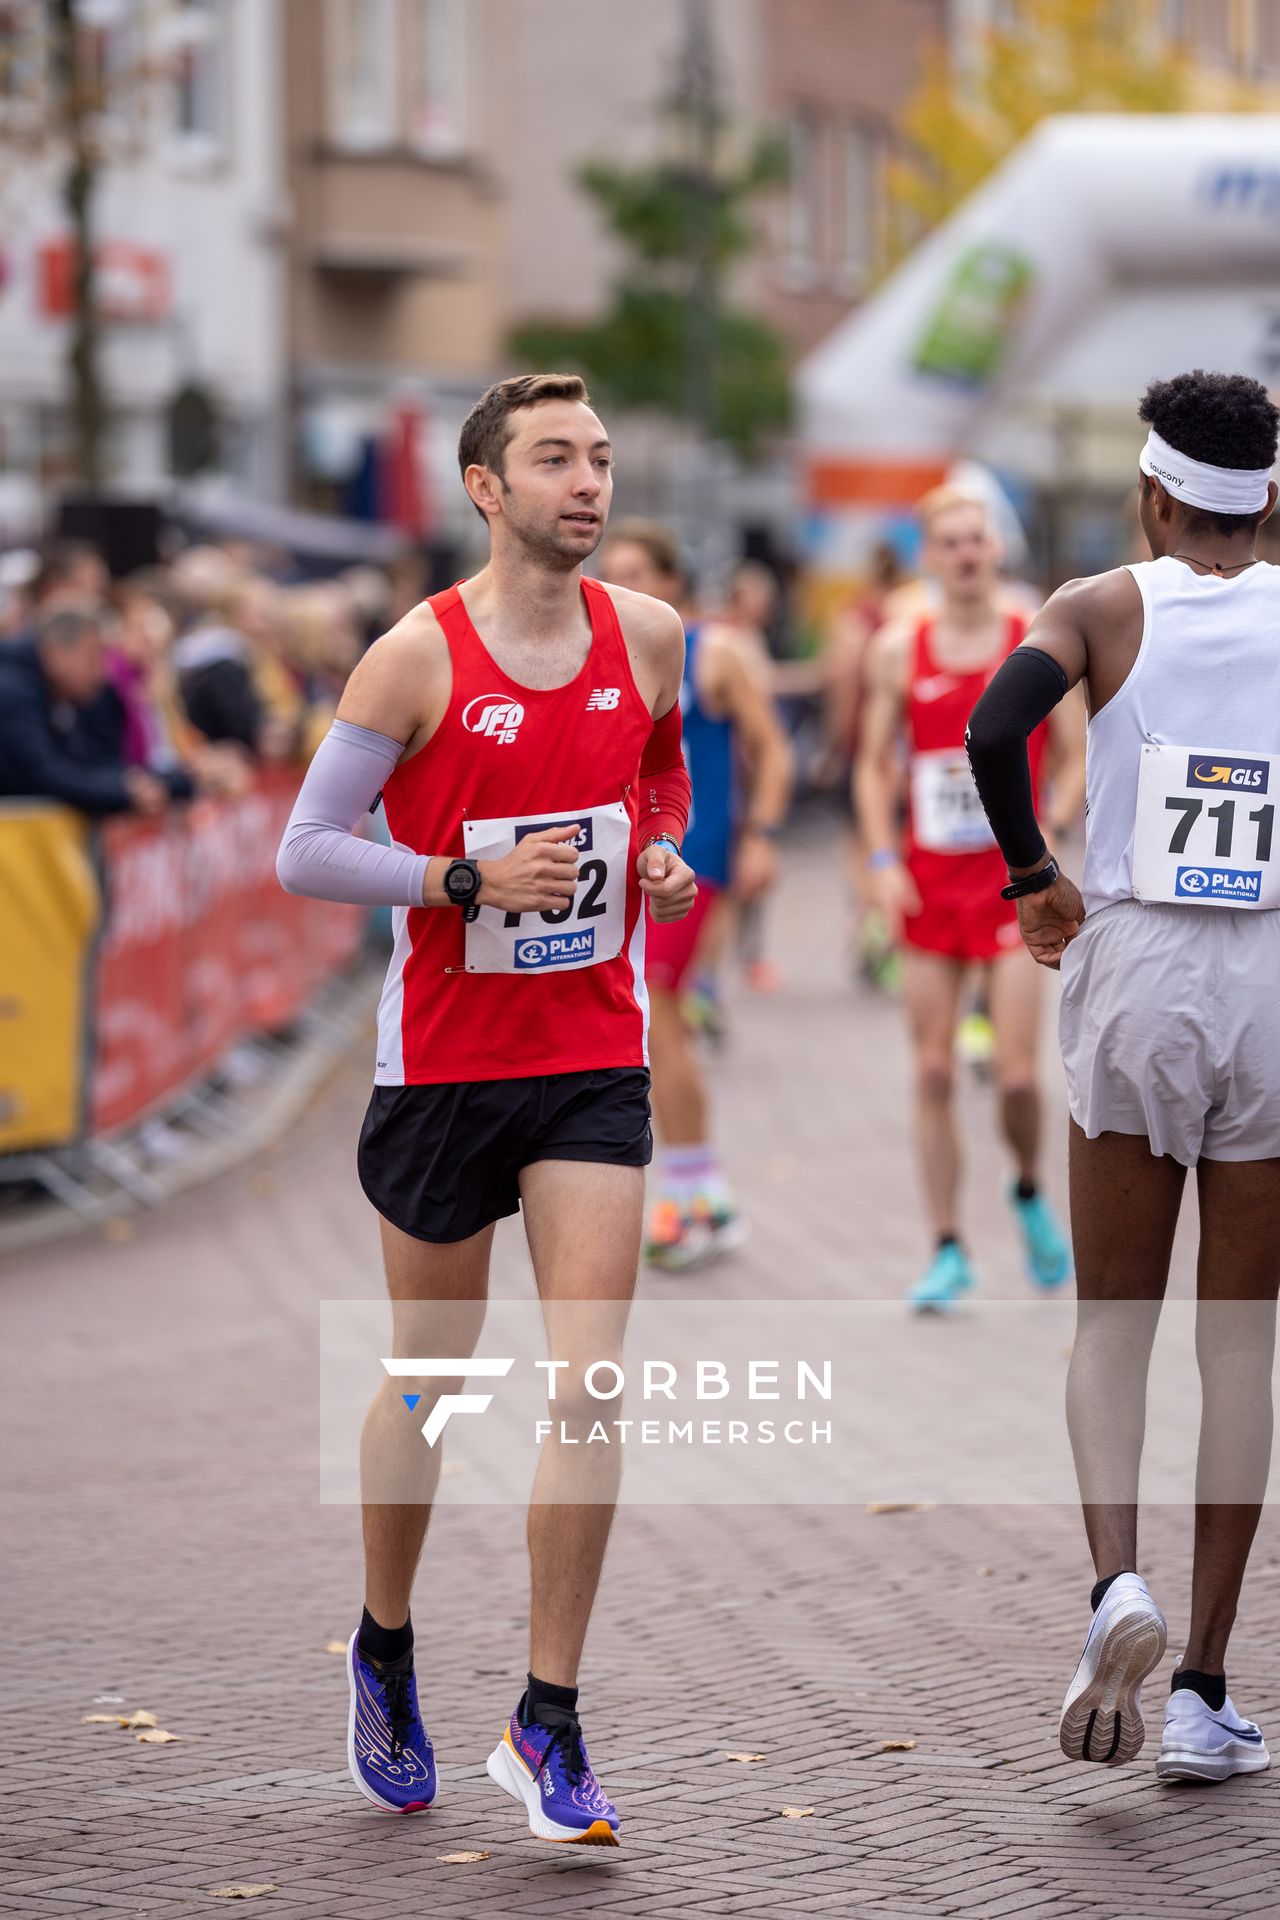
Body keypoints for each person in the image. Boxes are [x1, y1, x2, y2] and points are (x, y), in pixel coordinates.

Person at [276, 374, 695, 1844]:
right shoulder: (413, 657)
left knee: (588, 1381)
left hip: (590, 1054)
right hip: (445, 1067)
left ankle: (549, 1718)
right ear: (484, 486)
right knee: (430, 1385)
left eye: (600, 455)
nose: (588, 481)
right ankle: (384, 1644)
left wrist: (657, 857)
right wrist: (455, 880)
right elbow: (307, 849)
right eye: (554, 459)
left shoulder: (648, 636)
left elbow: (657, 776)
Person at [968, 369, 1280, 1785]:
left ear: (1153, 495)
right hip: (1271, 972)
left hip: (1140, 952)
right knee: (1240, 1345)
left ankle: (1117, 1587)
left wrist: (1036, 878)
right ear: (1267, 499)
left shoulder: (1102, 604)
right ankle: (1209, 1692)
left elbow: (990, 731)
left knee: (1113, 1322)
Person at [857, 488, 1080, 1309]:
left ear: (996, 547)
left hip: (1012, 887)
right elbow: (872, 765)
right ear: (928, 555)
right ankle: (947, 1246)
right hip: (927, 886)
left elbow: (1070, 754)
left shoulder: (1036, 639)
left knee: (1019, 1079)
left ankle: (1025, 1186)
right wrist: (881, 857)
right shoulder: (897, 649)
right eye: (947, 542)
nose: (963, 554)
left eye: (975, 539)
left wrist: (1049, 823)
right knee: (932, 1069)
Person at [600, 521, 792, 1269]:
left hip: (692, 857)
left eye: (639, 574)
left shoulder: (711, 653)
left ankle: (696, 1197)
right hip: (619, 869)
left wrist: (763, 836)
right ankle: (698, 1194)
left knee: (659, 1016)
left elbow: (772, 749)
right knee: (646, 1022)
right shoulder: (597, 654)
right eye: (611, 576)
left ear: (673, 583)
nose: (624, 591)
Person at [0, 604, 172, 816]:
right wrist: (123, 789)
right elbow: (47, 775)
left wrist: (141, 783)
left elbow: (89, 763)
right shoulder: (12, 694)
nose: (103, 672)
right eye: (93, 656)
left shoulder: (60, 694)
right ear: (56, 652)